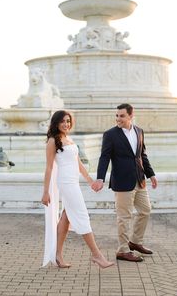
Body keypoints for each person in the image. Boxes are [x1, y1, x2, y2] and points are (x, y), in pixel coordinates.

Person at [41, 110, 114, 269]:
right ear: (56, 123)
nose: (66, 124)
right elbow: (48, 168)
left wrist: (90, 181)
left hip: (73, 182)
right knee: (81, 215)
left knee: (66, 218)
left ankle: (58, 256)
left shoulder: (68, 139)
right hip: (65, 182)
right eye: (63, 121)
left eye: (68, 121)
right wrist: (46, 192)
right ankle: (97, 255)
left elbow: (78, 163)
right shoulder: (53, 141)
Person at [92, 103, 158, 262]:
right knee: (124, 216)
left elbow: (142, 155)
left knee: (145, 210)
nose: (118, 119)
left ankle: (135, 242)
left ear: (130, 116)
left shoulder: (139, 131)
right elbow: (104, 157)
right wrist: (100, 178)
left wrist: (151, 175)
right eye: (117, 115)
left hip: (139, 179)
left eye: (121, 116)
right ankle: (122, 250)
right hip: (122, 181)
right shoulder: (110, 134)